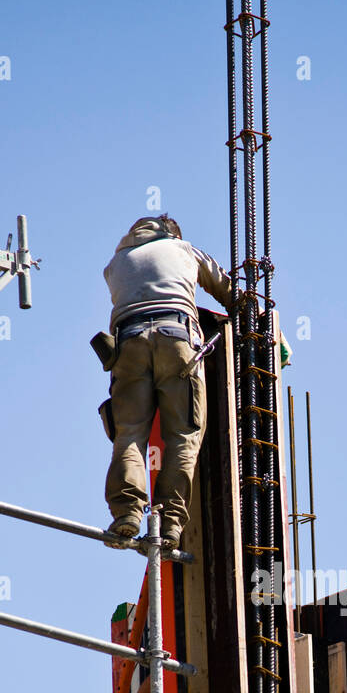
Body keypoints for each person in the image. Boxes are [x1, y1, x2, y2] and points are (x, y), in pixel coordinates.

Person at [101, 215, 234, 550]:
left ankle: (127, 513)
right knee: (183, 436)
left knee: (128, 434)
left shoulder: (116, 263)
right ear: (172, 233)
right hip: (177, 338)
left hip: (128, 344)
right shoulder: (183, 249)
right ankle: (170, 523)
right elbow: (225, 288)